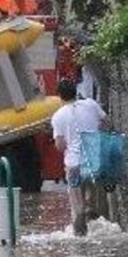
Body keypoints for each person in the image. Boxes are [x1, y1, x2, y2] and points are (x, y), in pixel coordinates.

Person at [50, 78, 107, 236]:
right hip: (94, 163)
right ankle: (96, 230)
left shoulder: (58, 116)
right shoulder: (91, 104)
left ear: (60, 96)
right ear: (76, 92)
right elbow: (105, 122)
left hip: (74, 165)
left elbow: (60, 146)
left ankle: (80, 239)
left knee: (78, 208)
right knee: (92, 203)